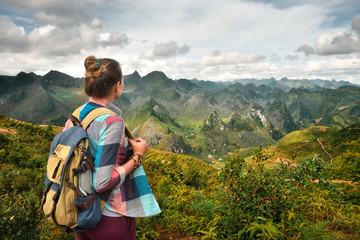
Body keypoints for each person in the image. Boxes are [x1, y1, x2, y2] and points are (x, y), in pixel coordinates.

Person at [64, 56, 160, 240]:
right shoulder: (112, 122)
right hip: (108, 215)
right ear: (117, 85)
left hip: (79, 211)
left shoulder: (74, 116)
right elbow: (102, 182)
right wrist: (138, 156)